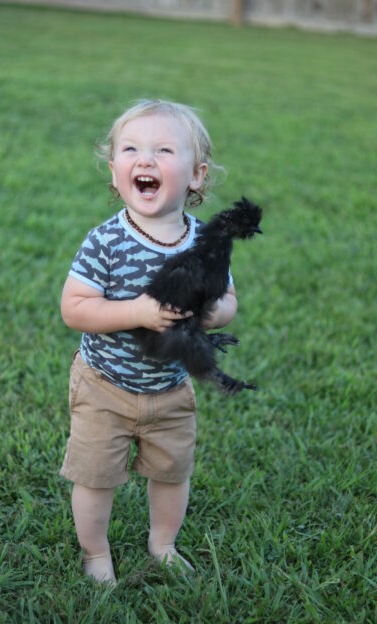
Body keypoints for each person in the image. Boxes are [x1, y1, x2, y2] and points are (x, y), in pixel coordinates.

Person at [60, 99, 237, 585]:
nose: (145, 159)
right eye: (131, 149)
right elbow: (74, 307)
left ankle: (162, 544)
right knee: (95, 478)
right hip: (105, 387)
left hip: (172, 391)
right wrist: (136, 311)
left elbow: (229, 302)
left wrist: (209, 308)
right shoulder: (105, 242)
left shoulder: (204, 245)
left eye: (163, 150)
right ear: (116, 172)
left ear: (196, 175)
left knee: (172, 473)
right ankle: (95, 553)